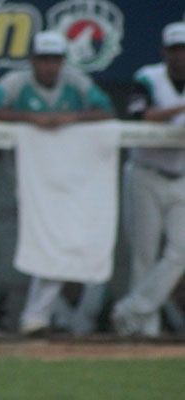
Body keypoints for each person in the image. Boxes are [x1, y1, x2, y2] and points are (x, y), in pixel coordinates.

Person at [0, 30, 115, 336]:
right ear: (32, 60)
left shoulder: (76, 81)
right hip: (27, 173)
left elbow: (107, 111)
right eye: (44, 60)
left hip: (69, 173)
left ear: (63, 61)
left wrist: (72, 118)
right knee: (45, 237)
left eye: (55, 60)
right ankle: (35, 317)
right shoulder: (16, 82)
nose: (50, 66)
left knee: (61, 238)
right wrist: (29, 118)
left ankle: (36, 317)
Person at [112, 21, 185, 337]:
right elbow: (140, 114)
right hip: (146, 173)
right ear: (164, 52)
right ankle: (145, 329)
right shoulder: (148, 77)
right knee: (144, 253)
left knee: (180, 252)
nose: (181, 56)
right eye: (175, 50)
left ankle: (131, 311)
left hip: (182, 176)